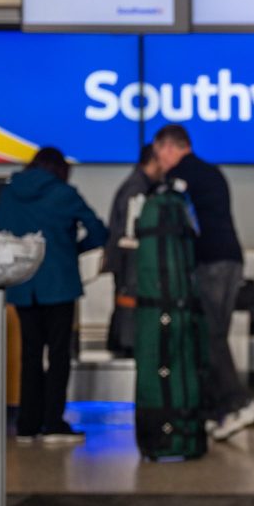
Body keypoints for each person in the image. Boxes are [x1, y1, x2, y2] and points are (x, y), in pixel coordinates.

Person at [152, 124, 254, 441]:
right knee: (213, 333)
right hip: (230, 260)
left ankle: (238, 402)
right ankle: (220, 411)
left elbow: (174, 218)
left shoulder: (181, 177)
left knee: (209, 334)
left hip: (211, 263)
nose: (159, 161)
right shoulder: (211, 172)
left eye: (160, 153)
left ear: (171, 147)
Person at [0, 146, 108, 445]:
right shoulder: (64, 194)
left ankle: (28, 425)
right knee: (58, 355)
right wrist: (73, 250)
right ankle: (53, 422)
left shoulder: (8, 193)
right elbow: (98, 230)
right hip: (59, 284)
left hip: (22, 284)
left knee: (30, 354)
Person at [103, 144, 163, 357]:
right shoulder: (137, 189)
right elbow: (132, 233)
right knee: (129, 306)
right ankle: (127, 347)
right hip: (131, 262)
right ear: (154, 161)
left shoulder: (137, 185)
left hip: (125, 260)